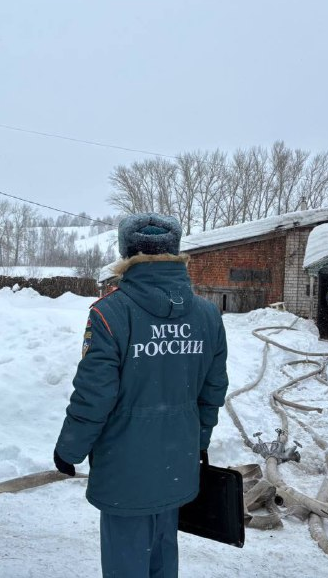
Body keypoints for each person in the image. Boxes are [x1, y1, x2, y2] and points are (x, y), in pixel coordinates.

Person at [54, 213, 229, 578]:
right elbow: (212, 390)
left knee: (126, 559)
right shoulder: (207, 315)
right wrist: (198, 440)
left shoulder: (110, 314)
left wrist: (70, 448)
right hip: (176, 460)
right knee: (163, 553)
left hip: (125, 467)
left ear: (127, 253)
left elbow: (94, 394)